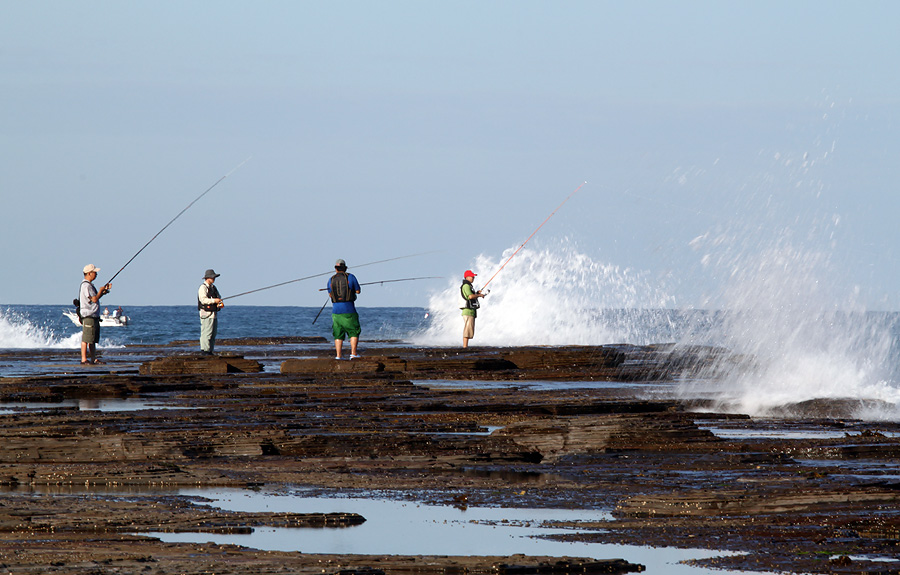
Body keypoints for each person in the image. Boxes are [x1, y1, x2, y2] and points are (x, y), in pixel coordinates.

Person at [327, 258, 361, 360]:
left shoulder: (331, 279)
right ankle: (353, 354)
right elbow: (358, 291)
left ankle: (338, 356)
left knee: (338, 334)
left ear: (336, 268)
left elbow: (330, 294)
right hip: (349, 309)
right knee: (354, 331)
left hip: (335, 312)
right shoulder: (351, 277)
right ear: (345, 268)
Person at [79, 264, 111, 364]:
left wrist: (103, 291)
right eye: (94, 272)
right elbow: (94, 299)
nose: (96, 274)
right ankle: (84, 359)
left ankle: (93, 358)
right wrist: (101, 290)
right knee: (86, 338)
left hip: (93, 316)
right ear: (89, 273)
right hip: (88, 315)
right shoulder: (86, 286)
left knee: (92, 339)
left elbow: (95, 298)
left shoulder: (89, 285)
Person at [198, 269, 224, 355]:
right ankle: (204, 350)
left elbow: (219, 297)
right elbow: (203, 300)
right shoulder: (203, 287)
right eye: (213, 277)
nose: (214, 279)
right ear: (207, 278)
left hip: (214, 314)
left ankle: (210, 350)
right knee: (206, 333)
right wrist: (214, 301)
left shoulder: (213, 288)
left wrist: (219, 303)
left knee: (213, 334)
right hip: (206, 314)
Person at [460, 270, 486, 348]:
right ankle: (465, 347)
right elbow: (470, 296)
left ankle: (466, 346)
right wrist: (479, 295)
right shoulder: (466, 286)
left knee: (469, 329)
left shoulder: (468, 286)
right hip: (468, 311)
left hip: (470, 311)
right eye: (472, 276)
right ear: (467, 277)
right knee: (467, 330)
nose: (473, 278)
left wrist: (477, 293)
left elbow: (471, 295)